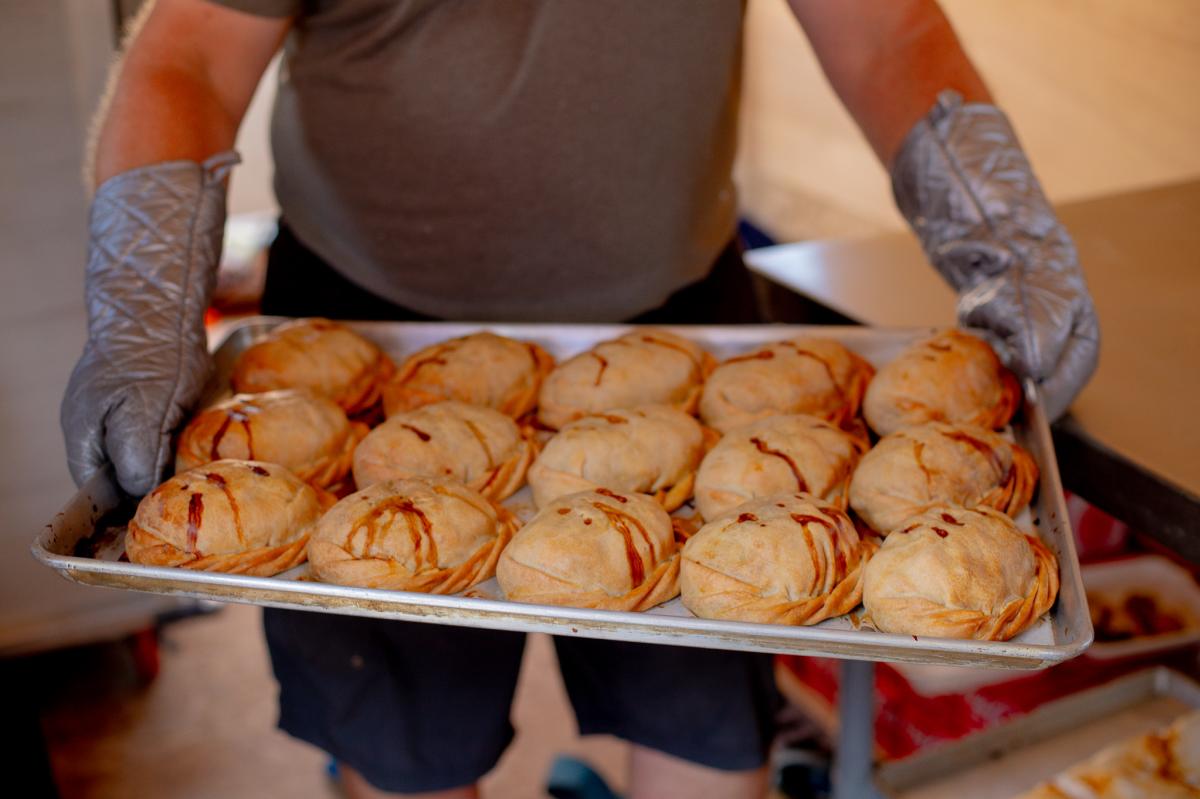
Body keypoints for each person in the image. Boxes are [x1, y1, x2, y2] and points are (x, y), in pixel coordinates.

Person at [61, 1, 1099, 797]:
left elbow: (883, 32)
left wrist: (1000, 227)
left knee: (708, 744)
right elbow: (190, 48)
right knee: (408, 757)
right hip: (364, 354)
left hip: (692, 348)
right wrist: (145, 294)